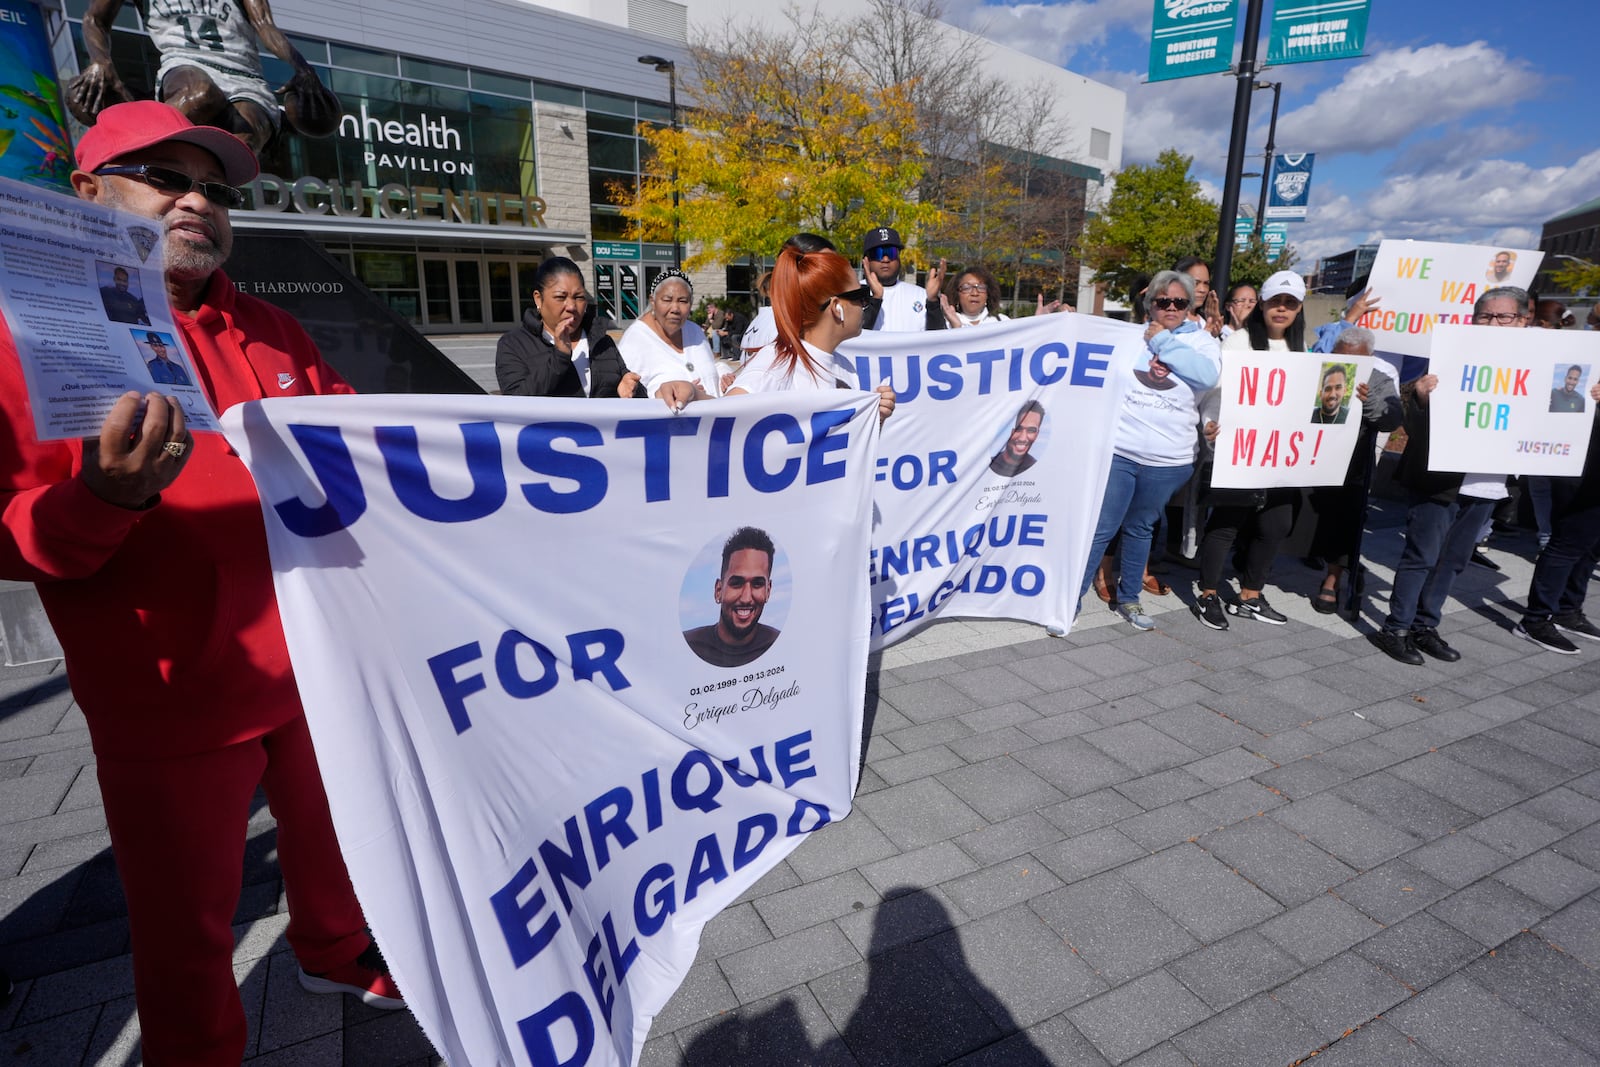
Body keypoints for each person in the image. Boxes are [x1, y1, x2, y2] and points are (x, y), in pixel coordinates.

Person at [0, 100, 400, 1065]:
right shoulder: (25, 334)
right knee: (187, 924)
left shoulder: (271, 326)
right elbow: (14, 534)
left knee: (332, 840)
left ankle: (334, 952)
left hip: (311, 662)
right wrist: (103, 496)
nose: (197, 198)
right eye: (166, 176)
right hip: (170, 700)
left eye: (215, 187)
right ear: (87, 192)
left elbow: (368, 447)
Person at [1048, 269, 1220, 635]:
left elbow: (1206, 377)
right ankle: (1070, 601)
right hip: (1120, 451)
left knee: (1141, 527)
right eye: (1163, 301)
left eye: (1180, 302)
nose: (1171, 307)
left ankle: (1128, 599)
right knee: (1103, 526)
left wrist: (1163, 344)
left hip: (1169, 459)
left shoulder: (1203, 342)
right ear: (1149, 304)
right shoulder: (1127, 337)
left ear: (1189, 306)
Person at [1375, 286, 1529, 665]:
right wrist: (1421, 398)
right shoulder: (1451, 354)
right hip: (1440, 480)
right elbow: (1411, 417)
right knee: (1422, 556)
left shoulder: (1536, 366)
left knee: (1455, 560)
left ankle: (1425, 626)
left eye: (1503, 316)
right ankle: (1396, 628)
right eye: (1485, 316)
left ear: (1523, 321)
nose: (1493, 323)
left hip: (1489, 480)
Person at [1193, 270, 1312, 630]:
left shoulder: (1301, 349)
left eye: (1289, 303)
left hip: (1280, 454)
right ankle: (1209, 593)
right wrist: (1209, 429)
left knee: (1275, 525)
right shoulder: (1237, 344)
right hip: (1239, 451)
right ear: (1262, 304)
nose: (1281, 309)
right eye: (1275, 300)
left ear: (1299, 309)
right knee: (1227, 523)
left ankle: (1250, 594)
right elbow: (1214, 395)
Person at [69, 0, 342, 152]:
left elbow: (265, 25)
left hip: (244, 74)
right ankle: (132, 147)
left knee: (244, 143)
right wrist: (100, 62)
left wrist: (302, 67)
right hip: (186, 61)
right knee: (201, 96)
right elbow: (95, 20)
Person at [726, 243, 895, 424]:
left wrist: (875, 420)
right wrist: (696, 395)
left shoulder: (844, 366)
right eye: (861, 295)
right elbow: (721, 424)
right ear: (837, 307)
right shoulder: (775, 366)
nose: (865, 304)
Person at [1306, 327, 1403, 613]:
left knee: (1344, 521)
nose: (1348, 364)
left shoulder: (1379, 379)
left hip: (1352, 465)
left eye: (1357, 360)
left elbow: (1391, 419)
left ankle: (1332, 580)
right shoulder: (1318, 371)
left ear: (1369, 358)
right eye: (1342, 356)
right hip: (1311, 456)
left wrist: (1369, 399)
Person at [1515, 376, 1600, 654]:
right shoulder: (1585, 350)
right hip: (1582, 463)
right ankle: (1536, 619)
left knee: (1591, 546)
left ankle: (1568, 609)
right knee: (1568, 542)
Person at [496, 256, 640, 398]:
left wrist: (630, 389)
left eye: (579, 297)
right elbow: (516, 401)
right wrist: (560, 357)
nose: (571, 306)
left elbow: (632, 392)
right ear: (538, 299)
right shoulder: (513, 345)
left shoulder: (602, 342)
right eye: (560, 297)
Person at [619, 267, 721, 411]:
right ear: (653, 301)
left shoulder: (695, 331)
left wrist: (723, 374)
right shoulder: (634, 341)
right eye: (667, 300)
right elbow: (629, 401)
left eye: (683, 301)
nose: (675, 308)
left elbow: (710, 368)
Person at [683, 526, 782, 667]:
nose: (746, 598)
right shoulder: (688, 646)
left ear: (768, 591)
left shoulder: (781, 645)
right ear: (718, 590)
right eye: (737, 583)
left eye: (757, 584)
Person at [861, 225, 943, 331]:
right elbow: (853, 338)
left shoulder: (921, 295)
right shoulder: (853, 294)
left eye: (892, 253)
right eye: (878, 253)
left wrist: (933, 302)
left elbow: (937, 340)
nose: (885, 259)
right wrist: (876, 299)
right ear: (866, 260)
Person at [935, 266, 1010, 329]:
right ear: (957, 294)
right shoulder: (945, 325)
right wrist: (956, 327)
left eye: (981, 287)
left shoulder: (1002, 322)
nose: (975, 293)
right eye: (967, 288)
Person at [988, 400, 1043, 478]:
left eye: (1031, 431)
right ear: (1011, 431)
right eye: (1019, 429)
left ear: (1036, 435)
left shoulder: (1037, 469)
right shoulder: (988, 466)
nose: (1022, 438)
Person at [1175, 255, 1222, 335]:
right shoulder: (1170, 319)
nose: (1202, 290)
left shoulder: (1206, 322)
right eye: (1195, 283)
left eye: (1206, 283)